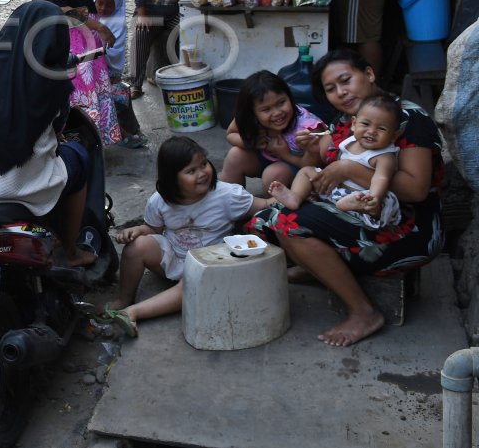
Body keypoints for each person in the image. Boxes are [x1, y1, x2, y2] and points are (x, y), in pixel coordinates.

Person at [249, 49, 445, 347]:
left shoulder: (408, 118)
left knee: (286, 222)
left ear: (368, 74)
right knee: (268, 217)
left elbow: (417, 190)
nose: (341, 92)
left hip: (405, 225)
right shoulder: (346, 120)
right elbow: (314, 172)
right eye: (331, 89)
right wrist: (314, 153)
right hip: (351, 208)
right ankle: (318, 263)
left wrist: (347, 168)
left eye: (346, 80)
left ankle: (363, 312)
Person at [0, 0, 99, 267]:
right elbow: (57, 131)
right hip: (25, 187)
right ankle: (71, 250)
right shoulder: (52, 78)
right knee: (78, 157)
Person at [101, 136, 273, 337]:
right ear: (172, 179)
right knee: (135, 247)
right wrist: (138, 231)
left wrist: (289, 195)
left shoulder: (227, 195)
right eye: (191, 171)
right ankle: (124, 299)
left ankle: (133, 312)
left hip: (209, 264)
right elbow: (152, 229)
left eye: (203, 164)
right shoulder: (160, 201)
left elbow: (264, 206)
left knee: (191, 286)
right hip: (174, 256)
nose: (202, 173)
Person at [32, 0, 121, 145]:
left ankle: (93, 141)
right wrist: (99, 27)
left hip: (84, 42)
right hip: (75, 43)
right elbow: (62, 10)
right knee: (81, 96)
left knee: (91, 94)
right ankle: (83, 143)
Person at [271, 94, 402, 230]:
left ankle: (363, 207)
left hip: (363, 196)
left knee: (382, 201)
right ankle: (295, 197)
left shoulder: (384, 156)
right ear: (354, 124)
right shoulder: (350, 142)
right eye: (365, 124)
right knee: (307, 171)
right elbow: (332, 165)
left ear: (394, 135)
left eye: (381, 128)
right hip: (340, 191)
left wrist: (373, 197)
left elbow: (381, 178)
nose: (372, 131)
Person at [221, 70, 326, 189]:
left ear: (290, 97)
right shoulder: (250, 117)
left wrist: (285, 154)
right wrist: (252, 142)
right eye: (266, 109)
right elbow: (231, 134)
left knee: (273, 174)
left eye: (281, 103)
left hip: (297, 166)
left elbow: (313, 166)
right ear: (253, 112)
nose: (277, 113)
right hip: (266, 157)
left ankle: (273, 206)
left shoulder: (307, 128)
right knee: (235, 155)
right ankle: (231, 200)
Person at [92, 0, 146, 149]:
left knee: (119, 93)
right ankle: (124, 131)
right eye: (99, 3)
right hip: (93, 74)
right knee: (117, 95)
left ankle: (127, 130)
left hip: (108, 74)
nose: (102, 8)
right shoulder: (90, 20)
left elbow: (113, 54)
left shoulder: (117, 24)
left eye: (109, 5)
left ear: (117, 4)